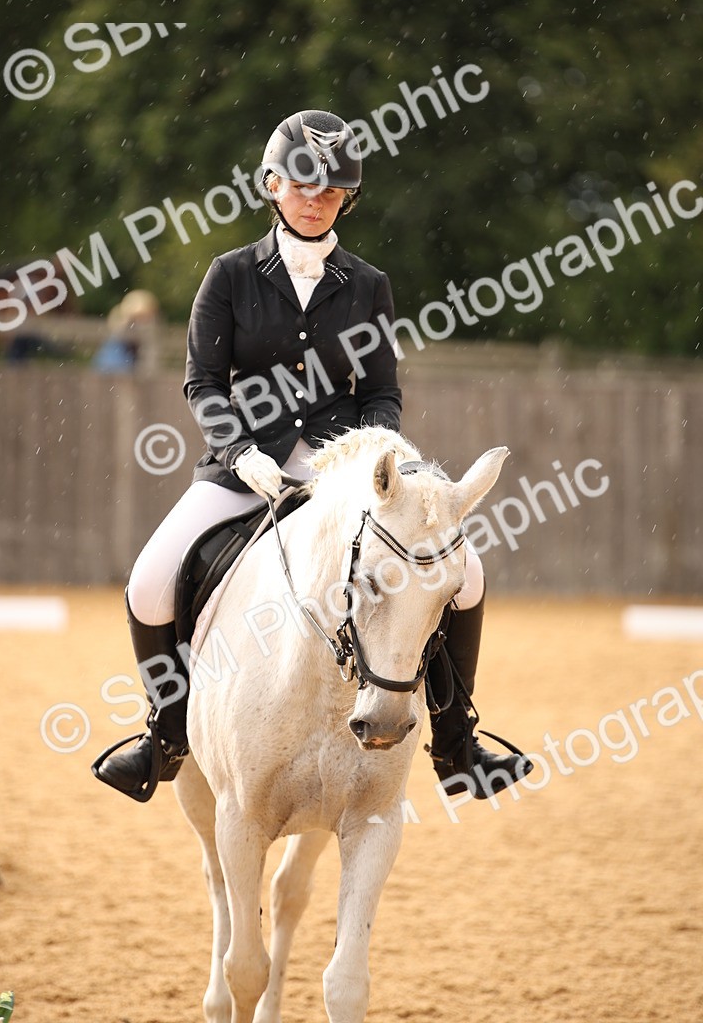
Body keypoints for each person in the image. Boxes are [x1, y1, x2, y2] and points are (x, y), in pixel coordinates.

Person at [94, 109, 531, 802]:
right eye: (302, 185)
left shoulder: (368, 285)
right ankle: (165, 734)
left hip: (343, 474)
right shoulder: (230, 275)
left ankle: (456, 744)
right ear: (272, 183)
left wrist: (369, 459)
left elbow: (381, 392)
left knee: (466, 572)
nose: (314, 199)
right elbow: (202, 383)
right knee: (150, 581)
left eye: (330, 192)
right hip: (249, 466)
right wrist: (237, 452)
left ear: (346, 200)